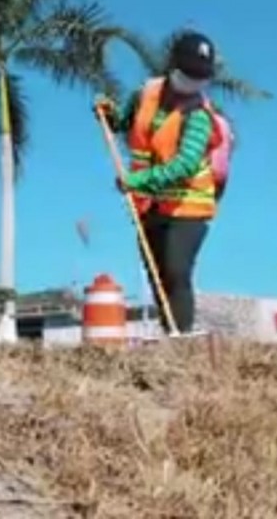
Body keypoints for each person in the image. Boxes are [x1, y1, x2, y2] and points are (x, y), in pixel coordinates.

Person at [97, 30, 228, 335]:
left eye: (200, 77)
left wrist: (137, 180)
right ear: (173, 66)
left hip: (188, 206)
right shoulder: (147, 94)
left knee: (176, 269)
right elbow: (126, 124)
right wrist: (110, 114)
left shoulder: (199, 116)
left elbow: (183, 165)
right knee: (156, 270)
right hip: (150, 205)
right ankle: (170, 331)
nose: (194, 82)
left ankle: (181, 334)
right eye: (189, 74)